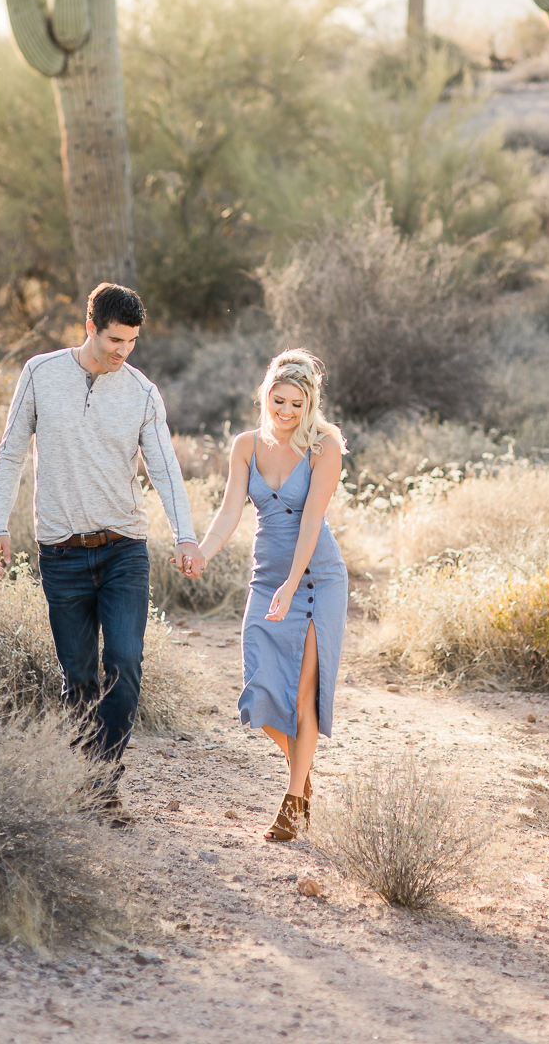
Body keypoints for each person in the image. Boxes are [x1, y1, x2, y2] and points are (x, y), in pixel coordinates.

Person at [0, 282, 201, 825]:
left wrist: (186, 534)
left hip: (123, 549)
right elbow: (11, 452)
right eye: (113, 339)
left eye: (131, 341)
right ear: (90, 327)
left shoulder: (142, 393)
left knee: (124, 664)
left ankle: (101, 782)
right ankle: (82, 778)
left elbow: (165, 470)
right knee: (78, 678)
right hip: (59, 553)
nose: (121, 351)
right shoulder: (40, 373)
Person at [194, 349, 347, 841]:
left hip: (316, 578)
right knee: (258, 693)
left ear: (310, 405)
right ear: (265, 397)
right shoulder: (245, 446)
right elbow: (229, 513)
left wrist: (292, 582)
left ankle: (292, 803)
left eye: (296, 404)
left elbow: (310, 522)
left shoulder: (325, 446)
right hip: (266, 579)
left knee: (302, 696)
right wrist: (203, 551)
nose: (286, 412)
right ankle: (303, 781)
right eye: (278, 401)